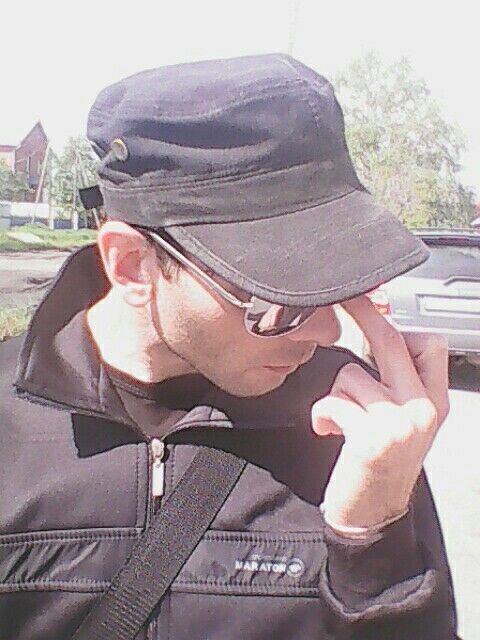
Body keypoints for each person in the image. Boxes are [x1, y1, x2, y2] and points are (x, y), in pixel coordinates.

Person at [0, 53, 458, 639]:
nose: (326, 333)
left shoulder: (358, 432)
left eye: (338, 284)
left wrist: (373, 539)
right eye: (275, 296)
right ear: (133, 266)